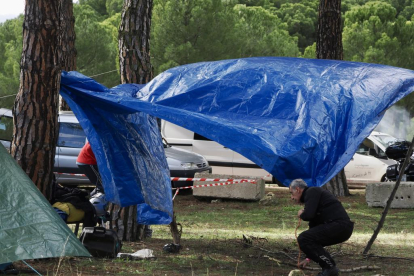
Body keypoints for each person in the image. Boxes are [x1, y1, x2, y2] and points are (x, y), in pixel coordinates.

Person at [289, 179, 354, 276]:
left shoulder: (312, 191)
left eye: (291, 193)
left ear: (298, 189)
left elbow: (308, 215)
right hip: (340, 227)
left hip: (340, 225)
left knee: (303, 238)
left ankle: (330, 268)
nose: (291, 197)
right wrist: (308, 257)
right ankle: (329, 269)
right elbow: (313, 230)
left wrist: (302, 214)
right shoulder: (313, 198)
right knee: (306, 238)